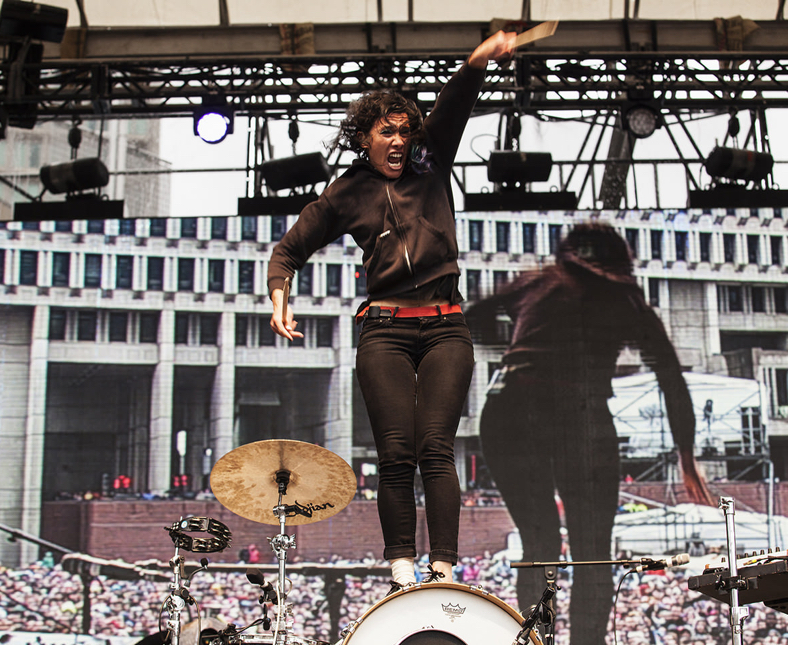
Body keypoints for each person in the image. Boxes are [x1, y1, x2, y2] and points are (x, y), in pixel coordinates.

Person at [268, 29, 518, 589]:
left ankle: (444, 566)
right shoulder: (346, 191)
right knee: (396, 453)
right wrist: (279, 296)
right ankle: (402, 567)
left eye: (407, 130)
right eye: (388, 132)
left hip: (445, 326)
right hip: (382, 330)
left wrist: (477, 59)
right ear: (364, 138)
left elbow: (453, 107)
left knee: (436, 448)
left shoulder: (430, 163)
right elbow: (289, 249)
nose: (401, 140)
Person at [467, 222, 713, 645]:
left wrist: (517, 342)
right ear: (619, 263)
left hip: (507, 407)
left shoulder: (541, 279)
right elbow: (671, 376)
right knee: (592, 553)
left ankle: (536, 641)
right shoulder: (624, 297)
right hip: (576, 414)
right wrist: (686, 457)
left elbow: (472, 316)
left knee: (539, 543)